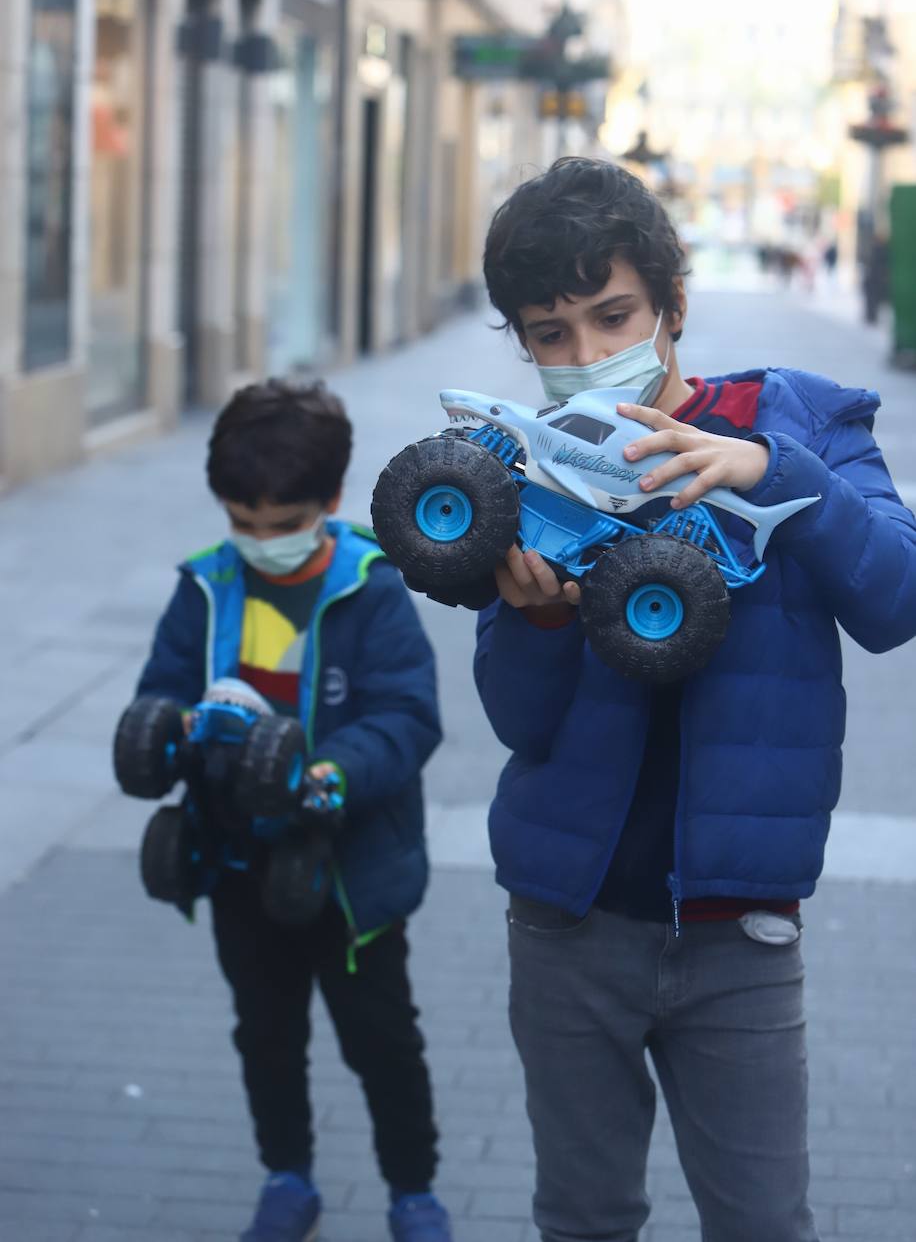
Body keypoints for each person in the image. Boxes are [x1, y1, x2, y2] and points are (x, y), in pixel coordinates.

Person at [471, 156, 916, 1242]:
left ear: (671, 304)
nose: (584, 356)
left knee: (764, 1222)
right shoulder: (528, 467)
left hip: (739, 936)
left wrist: (769, 473)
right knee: (581, 1216)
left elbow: (895, 595)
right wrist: (533, 619)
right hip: (568, 925)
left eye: (611, 315)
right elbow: (518, 724)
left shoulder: (798, 419)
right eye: (549, 333)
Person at [134, 380, 452, 1242]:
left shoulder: (369, 589)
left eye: (282, 524)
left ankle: (413, 1192)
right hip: (239, 865)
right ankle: (288, 1177)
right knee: (265, 1037)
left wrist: (331, 774)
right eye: (242, 520)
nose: (260, 542)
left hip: (351, 879)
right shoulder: (204, 590)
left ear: (330, 504)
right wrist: (179, 732)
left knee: (381, 1042)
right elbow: (160, 695)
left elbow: (407, 717)